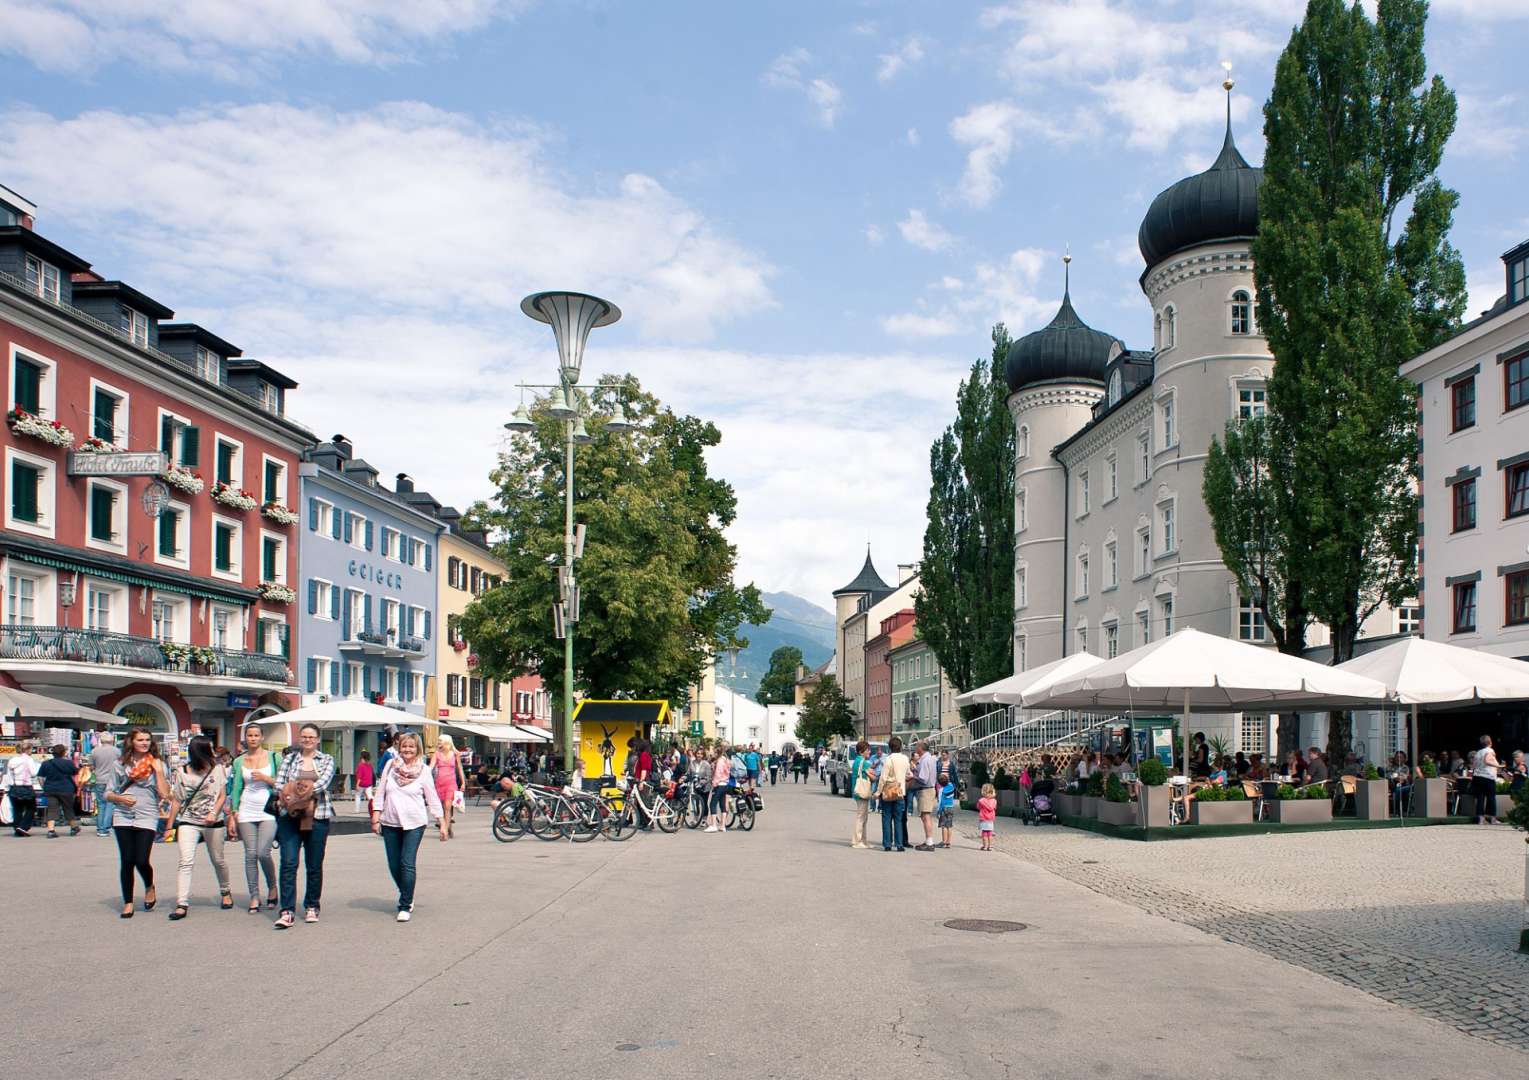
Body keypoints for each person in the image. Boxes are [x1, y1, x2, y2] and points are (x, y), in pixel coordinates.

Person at [370, 730, 446, 921]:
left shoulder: (424, 770)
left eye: (411, 746)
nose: (407, 749)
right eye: (404, 746)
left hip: (415, 822)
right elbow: (380, 792)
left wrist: (441, 821)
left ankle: (405, 904)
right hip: (390, 821)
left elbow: (432, 797)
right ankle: (407, 892)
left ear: (417, 749)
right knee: (394, 864)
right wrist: (376, 816)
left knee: (407, 863)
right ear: (399, 747)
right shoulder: (390, 765)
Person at [272, 723, 335, 928]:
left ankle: (312, 905)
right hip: (289, 817)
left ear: (317, 739)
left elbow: (321, 785)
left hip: (317, 816)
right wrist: (291, 794)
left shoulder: (326, 760)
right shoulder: (289, 759)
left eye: (311, 737)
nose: (307, 740)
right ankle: (287, 910)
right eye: (304, 736)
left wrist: (294, 793)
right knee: (289, 862)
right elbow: (279, 786)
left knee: (314, 864)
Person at [104, 729, 170, 917]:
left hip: (147, 815)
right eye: (140, 740)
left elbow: (165, 794)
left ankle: (149, 886)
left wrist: (158, 771)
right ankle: (128, 902)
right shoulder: (120, 764)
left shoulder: (158, 764)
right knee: (127, 860)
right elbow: (107, 793)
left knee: (141, 859)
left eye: (147, 739)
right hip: (123, 815)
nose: (144, 743)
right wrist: (120, 798)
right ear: (131, 742)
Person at [168, 735, 231, 920]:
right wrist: (170, 825)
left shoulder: (217, 769)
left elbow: (222, 795)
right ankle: (182, 903)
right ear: (199, 752)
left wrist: (214, 813)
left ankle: (225, 891)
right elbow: (177, 800)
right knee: (185, 861)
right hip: (189, 820)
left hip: (214, 821)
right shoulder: (182, 772)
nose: (213, 753)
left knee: (218, 860)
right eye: (209, 749)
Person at [228, 723, 282, 913]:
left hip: (268, 810)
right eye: (249, 735)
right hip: (246, 810)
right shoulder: (239, 761)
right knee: (250, 855)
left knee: (262, 852)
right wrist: (233, 814)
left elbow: (283, 784)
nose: (252, 738)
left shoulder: (274, 757)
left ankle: (273, 886)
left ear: (262, 737)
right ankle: (254, 895)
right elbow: (235, 789)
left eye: (256, 735)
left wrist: (267, 779)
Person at [38, 744, 81, 837]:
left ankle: (51, 830)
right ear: (63, 753)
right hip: (66, 788)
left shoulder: (46, 763)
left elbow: (40, 777)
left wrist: (44, 786)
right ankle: (74, 828)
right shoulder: (68, 763)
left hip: (50, 789)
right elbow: (75, 772)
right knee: (68, 808)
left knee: (52, 809)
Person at [877, 736, 910, 852]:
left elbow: (883, 778)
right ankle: (899, 844)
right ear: (900, 746)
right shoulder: (905, 759)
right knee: (898, 818)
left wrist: (878, 792)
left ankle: (887, 844)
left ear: (890, 747)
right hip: (900, 792)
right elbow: (909, 774)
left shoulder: (888, 759)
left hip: (888, 791)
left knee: (886, 817)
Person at [430, 734, 466, 840]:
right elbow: (430, 767)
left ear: (446, 741)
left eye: (440, 740)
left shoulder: (455, 754)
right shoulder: (436, 754)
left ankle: (444, 830)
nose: (438, 742)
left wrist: (463, 782)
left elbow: (460, 768)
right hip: (439, 784)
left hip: (451, 783)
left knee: (447, 807)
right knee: (441, 808)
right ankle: (448, 826)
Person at [5, 741, 39, 837]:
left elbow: (9, 775)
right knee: (31, 808)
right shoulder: (29, 760)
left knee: (17, 809)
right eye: (31, 749)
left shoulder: (12, 760)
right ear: (28, 749)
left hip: (14, 787)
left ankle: (17, 829)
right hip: (26, 787)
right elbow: (33, 773)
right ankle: (23, 827)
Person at [89, 732, 119, 836]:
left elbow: (91, 767)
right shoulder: (117, 751)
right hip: (113, 780)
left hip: (99, 780)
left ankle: (100, 828)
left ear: (101, 740)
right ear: (112, 740)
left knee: (101, 804)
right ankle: (106, 828)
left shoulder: (94, 751)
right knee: (110, 804)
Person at [912, 741, 939, 851]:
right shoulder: (929, 758)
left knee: (926, 816)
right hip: (929, 789)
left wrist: (913, 776)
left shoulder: (924, 760)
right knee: (925, 816)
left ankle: (929, 842)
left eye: (917, 746)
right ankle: (928, 840)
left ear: (921, 748)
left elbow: (923, 778)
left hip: (926, 790)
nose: (915, 748)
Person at [1470, 735, 1502, 825]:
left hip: (1477, 777)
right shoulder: (1490, 750)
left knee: (1480, 798)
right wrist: (1498, 766)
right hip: (1488, 777)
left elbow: (1474, 765)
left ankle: (1481, 819)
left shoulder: (1478, 752)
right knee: (1491, 797)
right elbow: (1487, 760)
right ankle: (1493, 819)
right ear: (1490, 742)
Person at [848, 739, 873, 849]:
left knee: (863, 816)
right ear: (861, 751)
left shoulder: (856, 761)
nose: (869, 752)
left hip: (857, 791)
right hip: (862, 791)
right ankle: (857, 841)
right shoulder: (864, 763)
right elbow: (873, 776)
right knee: (861, 817)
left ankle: (863, 840)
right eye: (867, 750)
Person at [706, 746, 731, 832]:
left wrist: (714, 783)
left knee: (712, 804)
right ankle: (722, 825)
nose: (712, 754)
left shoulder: (720, 761)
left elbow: (718, 773)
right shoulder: (726, 760)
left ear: (717, 753)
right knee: (722, 804)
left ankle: (714, 825)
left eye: (714, 752)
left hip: (719, 784)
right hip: (725, 784)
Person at [936, 769, 956, 849]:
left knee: (943, 826)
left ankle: (943, 841)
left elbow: (941, 802)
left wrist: (938, 811)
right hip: (951, 807)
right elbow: (950, 782)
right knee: (949, 825)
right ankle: (948, 842)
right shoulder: (951, 786)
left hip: (944, 808)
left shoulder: (941, 790)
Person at [977, 783, 998, 851]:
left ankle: (985, 846)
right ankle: (990, 846)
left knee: (984, 832)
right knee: (990, 833)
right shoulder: (994, 801)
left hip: (983, 818)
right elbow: (994, 808)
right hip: (990, 819)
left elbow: (978, 807)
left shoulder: (981, 801)